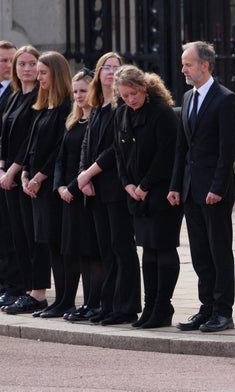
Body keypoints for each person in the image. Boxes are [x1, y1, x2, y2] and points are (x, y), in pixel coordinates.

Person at [169, 41, 235, 333]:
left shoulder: (226, 99)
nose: (183, 69)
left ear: (205, 65)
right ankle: (206, 307)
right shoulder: (187, 97)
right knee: (199, 252)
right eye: (184, 64)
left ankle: (223, 311)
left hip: (214, 191)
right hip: (190, 189)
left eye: (188, 64)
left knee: (218, 251)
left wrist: (218, 187)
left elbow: (228, 150)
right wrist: (175, 185)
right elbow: (182, 147)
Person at [114, 65, 183, 329]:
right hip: (136, 194)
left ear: (144, 88)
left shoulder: (161, 113)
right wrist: (127, 185)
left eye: (133, 94)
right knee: (147, 250)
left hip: (161, 191)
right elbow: (119, 154)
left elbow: (166, 155)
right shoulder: (121, 114)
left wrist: (144, 185)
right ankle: (150, 305)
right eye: (124, 96)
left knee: (163, 247)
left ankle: (163, 306)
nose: (130, 100)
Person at [77, 52, 141, 325]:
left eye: (117, 67)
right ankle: (109, 302)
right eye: (107, 67)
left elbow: (115, 149)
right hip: (96, 189)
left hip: (115, 187)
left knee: (121, 247)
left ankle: (126, 305)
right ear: (99, 72)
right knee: (106, 248)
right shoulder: (98, 106)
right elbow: (86, 144)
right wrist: (83, 174)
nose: (111, 71)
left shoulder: (121, 107)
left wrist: (89, 172)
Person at [19, 51, 73, 318]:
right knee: (49, 244)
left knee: (59, 244)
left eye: (43, 72)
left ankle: (65, 299)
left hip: (51, 186)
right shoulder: (43, 105)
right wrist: (26, 174)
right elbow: (32, 146)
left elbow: (58, 150)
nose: (38, 77)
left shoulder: (65, 106)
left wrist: (40, 177)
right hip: (36, 186)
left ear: (56, 73)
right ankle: (58, 301)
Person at [55, 69, 104, 322]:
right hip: (69, 195)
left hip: (87, 193)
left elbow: (92, 159)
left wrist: (74, 186)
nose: (78, 96)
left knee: (91, 250)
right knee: (77, 251)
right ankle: (84, 303)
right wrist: (61, 186)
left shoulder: (97, 120)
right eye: (75, 92)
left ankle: (94, 302)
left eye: (83, 91)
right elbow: (61, 158)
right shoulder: (73, 122)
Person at [0, 46, 43, 314]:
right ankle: (20, 288)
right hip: (7, 176)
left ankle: (33, 291)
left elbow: (29, 142)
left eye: (31, 64)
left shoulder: (38, 98)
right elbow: (5, 137)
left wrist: (13, 171)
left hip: (24, 177)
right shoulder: (15, 96)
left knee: (30, 237)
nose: (26, 69)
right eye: (21, 64)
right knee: (15, 235)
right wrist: (2, 168)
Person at [0, 40, 21, 308]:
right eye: (3, 61)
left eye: (10, 61)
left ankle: (11, 283)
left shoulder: (19, 93)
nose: (7, 66)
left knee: (10, 231)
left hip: (10, 173)